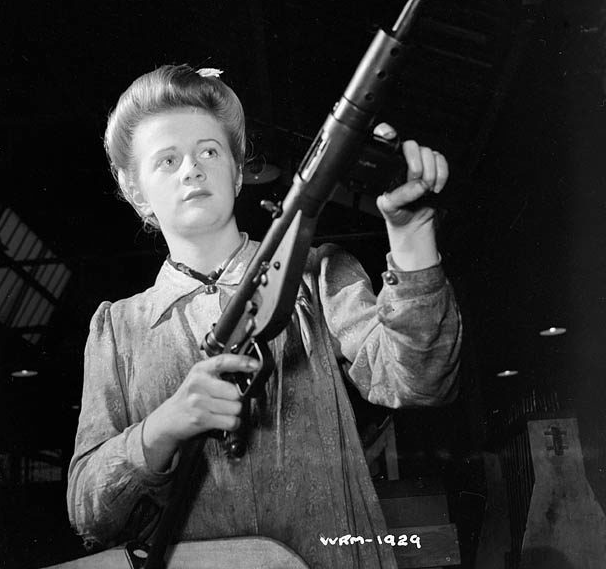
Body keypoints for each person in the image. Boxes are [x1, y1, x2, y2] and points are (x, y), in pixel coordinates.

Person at [67, 64, 462, 568]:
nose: (191, 169)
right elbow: (87, 510)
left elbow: (420, 382)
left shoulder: (316, 276)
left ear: (236, 171)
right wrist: (162, 427)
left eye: (209, 151)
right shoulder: (116, 329)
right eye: (166, 160)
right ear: (136, 192)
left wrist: (412, 235)